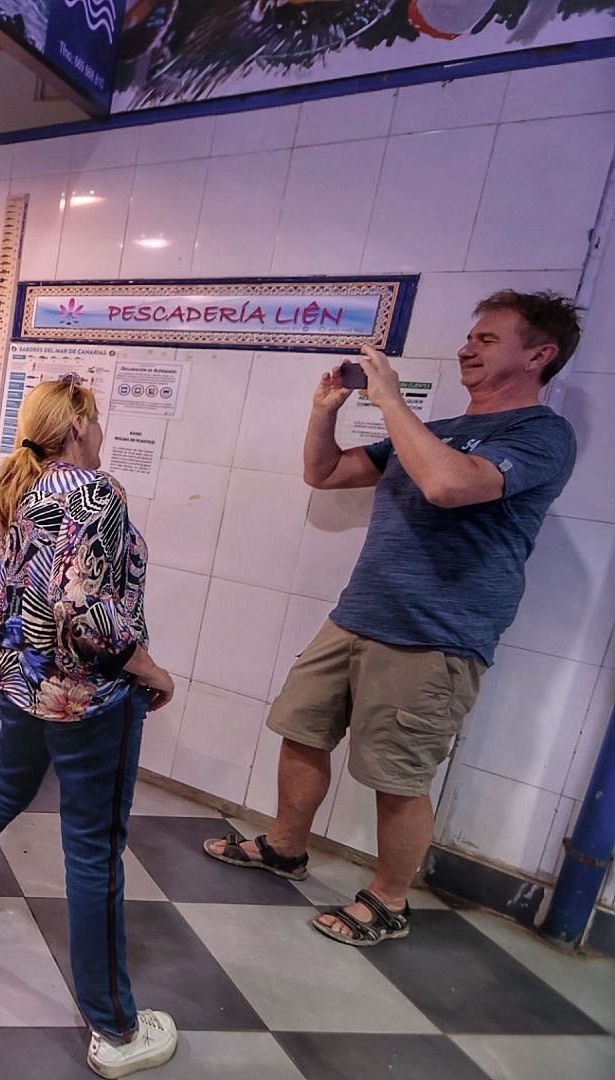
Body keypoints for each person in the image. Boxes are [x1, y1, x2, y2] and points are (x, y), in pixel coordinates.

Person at [204, 291, 580, 946]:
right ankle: (287, 846)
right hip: (359, 614)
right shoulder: (436, 430)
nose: (467, 347)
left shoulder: (542, 435)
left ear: (539, 354)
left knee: (397, 777)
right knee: (302, 729)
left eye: (487, 339)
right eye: (471, 336)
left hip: (435, 636)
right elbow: (325, 473)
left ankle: (389, 899)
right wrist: (326, 413)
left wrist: (392, 402)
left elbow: (449, 487)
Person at [0, 377, 180, 1079]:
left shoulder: (17, 484)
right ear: (80, 426)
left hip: (21, 680)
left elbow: (22, 589)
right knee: (93, 848)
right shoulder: (94, 491)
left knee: (6, 785)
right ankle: (117, 1031)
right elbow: (85, 610)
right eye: (98, 420)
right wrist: (148, 668)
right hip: (86, 697)